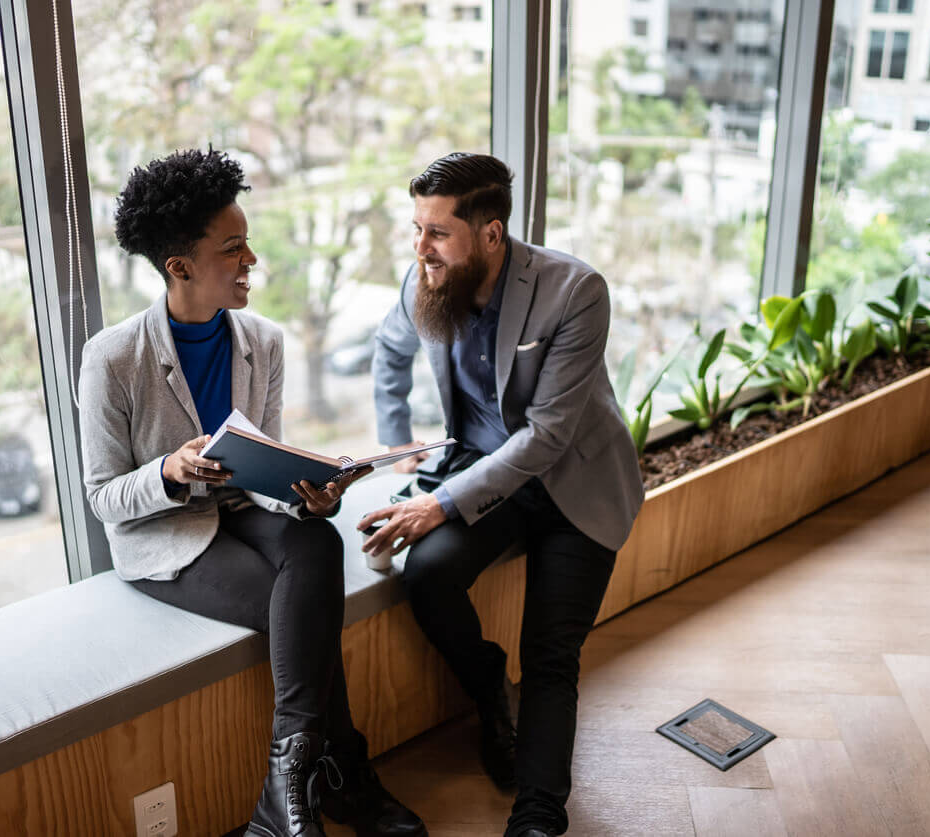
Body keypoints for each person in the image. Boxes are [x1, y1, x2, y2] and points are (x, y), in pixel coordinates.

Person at [77, 149, 425, 837]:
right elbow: (101, 497)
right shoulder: (113, 357)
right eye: (232, 248)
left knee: (317, 538)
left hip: (242, 511)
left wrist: (308, 493)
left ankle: (284, 787)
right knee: (298, 605)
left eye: (247, 242)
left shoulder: (262, 342)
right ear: (179, 267)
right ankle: (341, 776)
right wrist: (170, 472)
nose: (252, 259)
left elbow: (262, 470)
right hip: (168, 536)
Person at [359, 152, 645, 837]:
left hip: (574, 483)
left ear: (489, 234)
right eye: (416, 228)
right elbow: (387, 354)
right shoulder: (422, 282)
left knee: (550, 651)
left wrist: (438, 503)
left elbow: (546, 436)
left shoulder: (573, 290)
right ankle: (492, 692)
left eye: (436, 232)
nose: (419, 246)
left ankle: (539, 815)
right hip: (486, 478)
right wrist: (401, 461)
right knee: (426, 574)